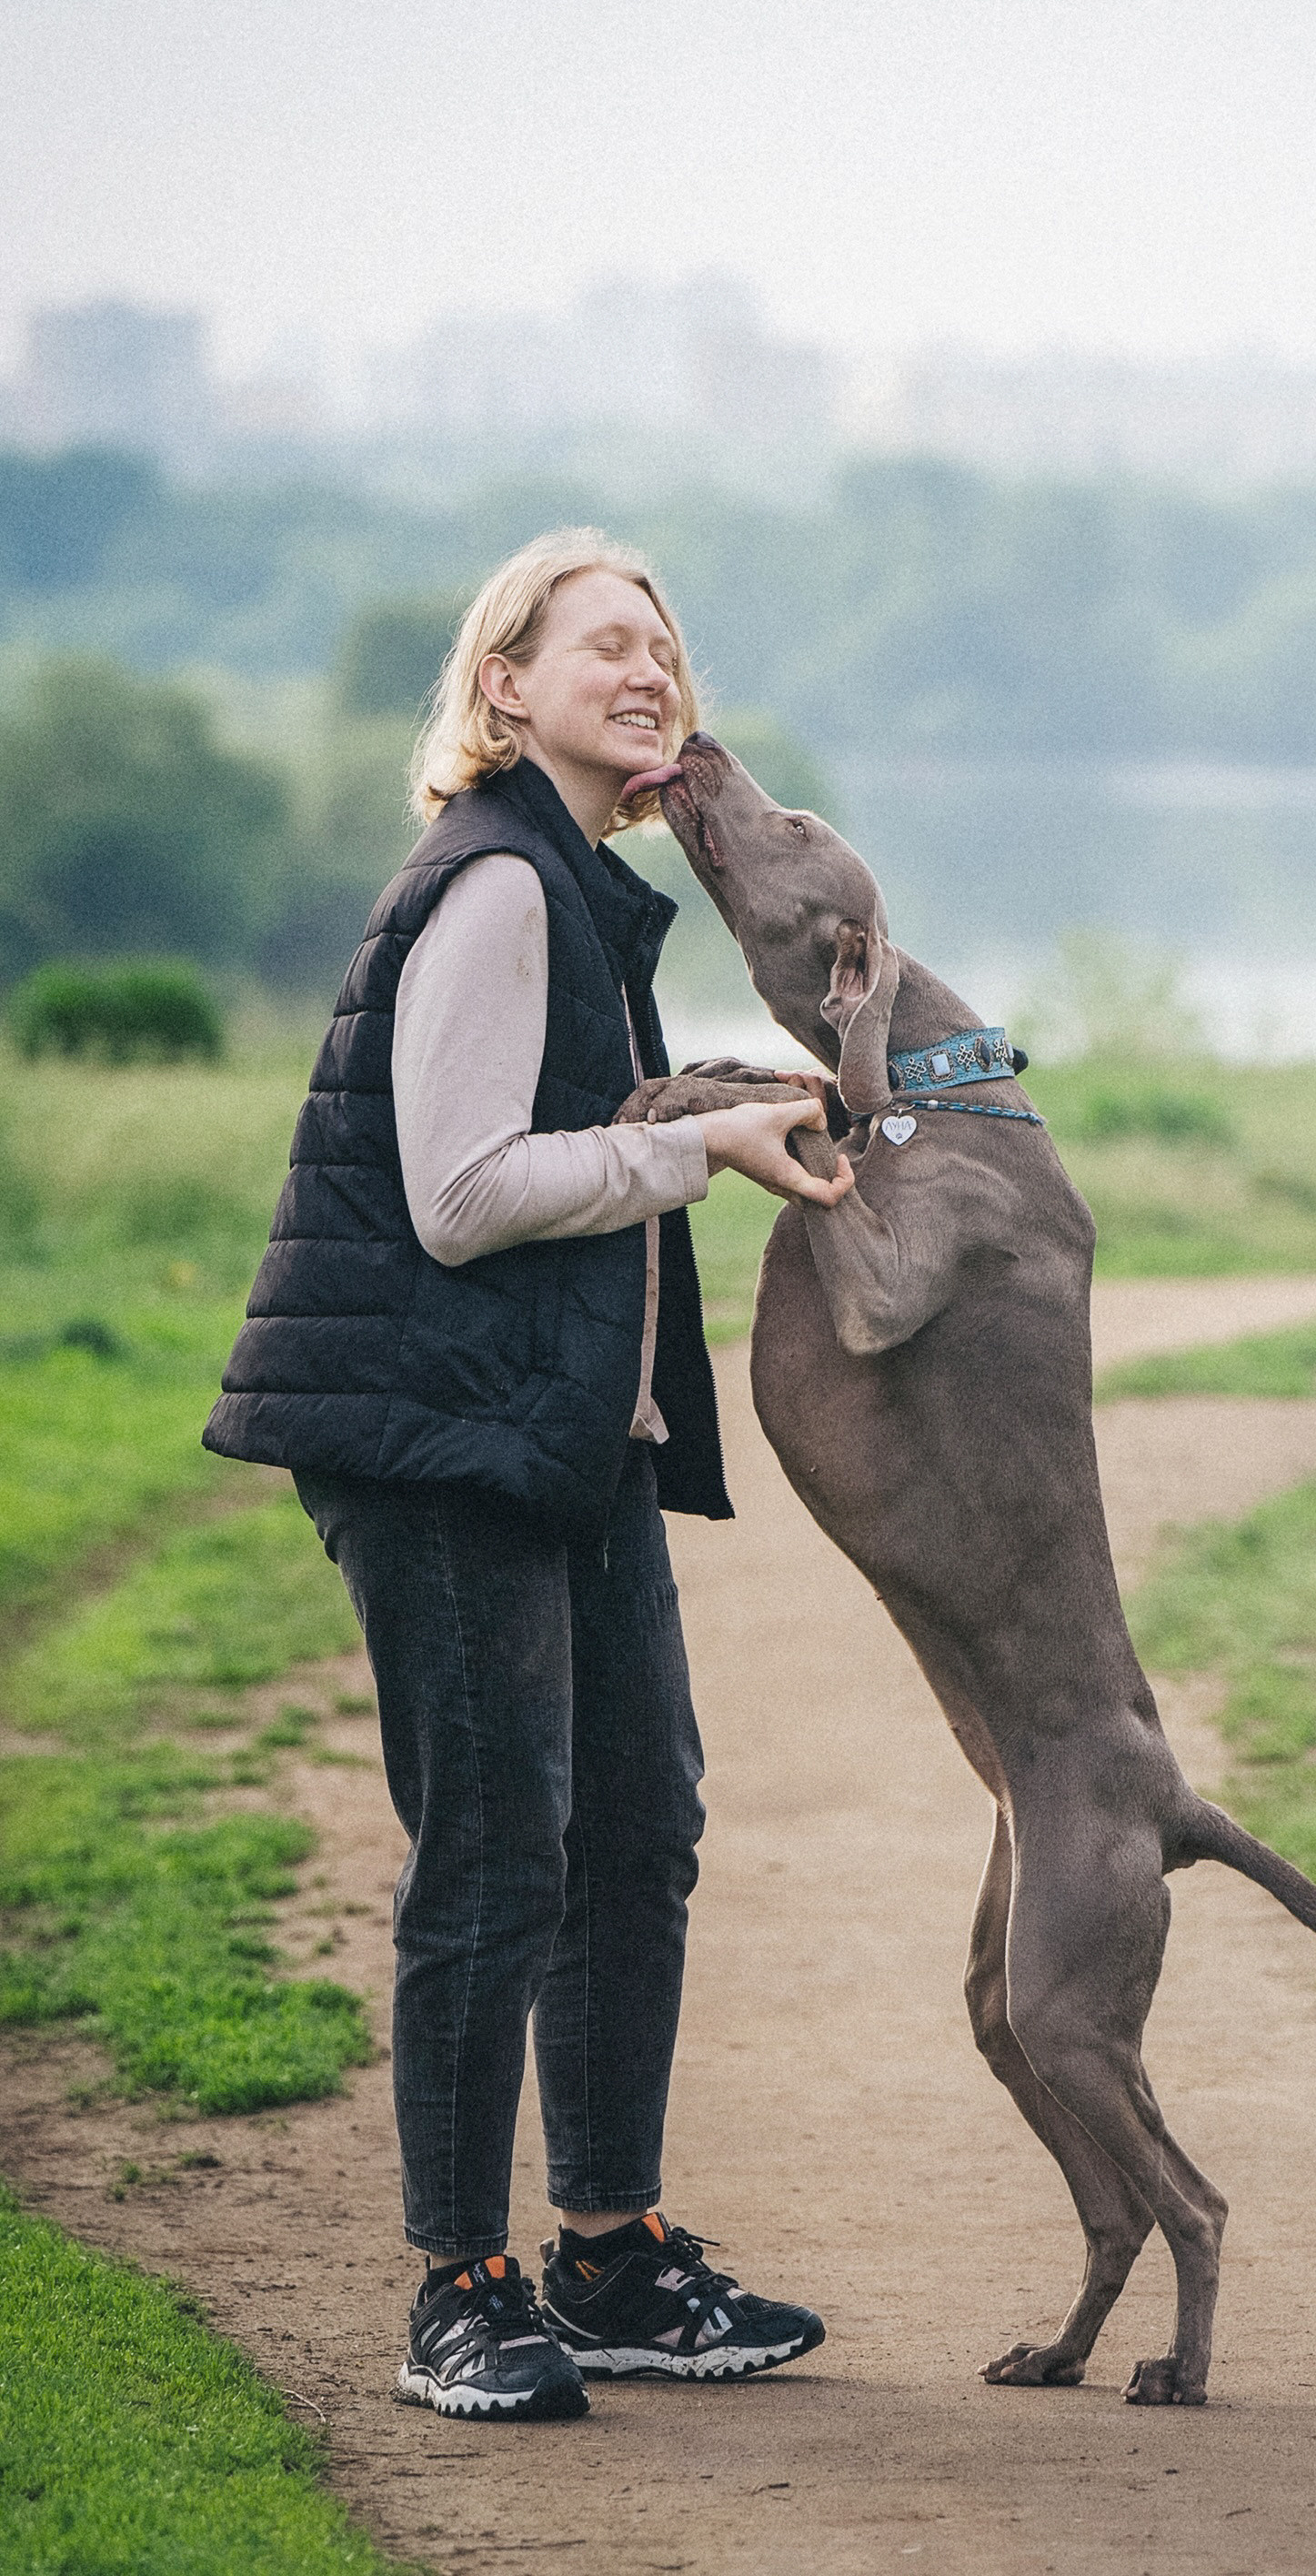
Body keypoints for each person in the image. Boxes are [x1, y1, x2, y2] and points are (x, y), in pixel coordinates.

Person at [205, 528, 853, 2421]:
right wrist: (699, 1152)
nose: (652, 674)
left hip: (563, 1443)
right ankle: (457, 2290)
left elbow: (578, 1120)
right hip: (439, 1447)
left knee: (634, 1835)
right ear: (505, 688)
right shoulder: (494, 885)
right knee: (495, 1863)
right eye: (605, 648)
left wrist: (734, 1097)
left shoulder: (577, 892)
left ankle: (612, 2256)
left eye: (667, 650)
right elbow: (467, 1192)